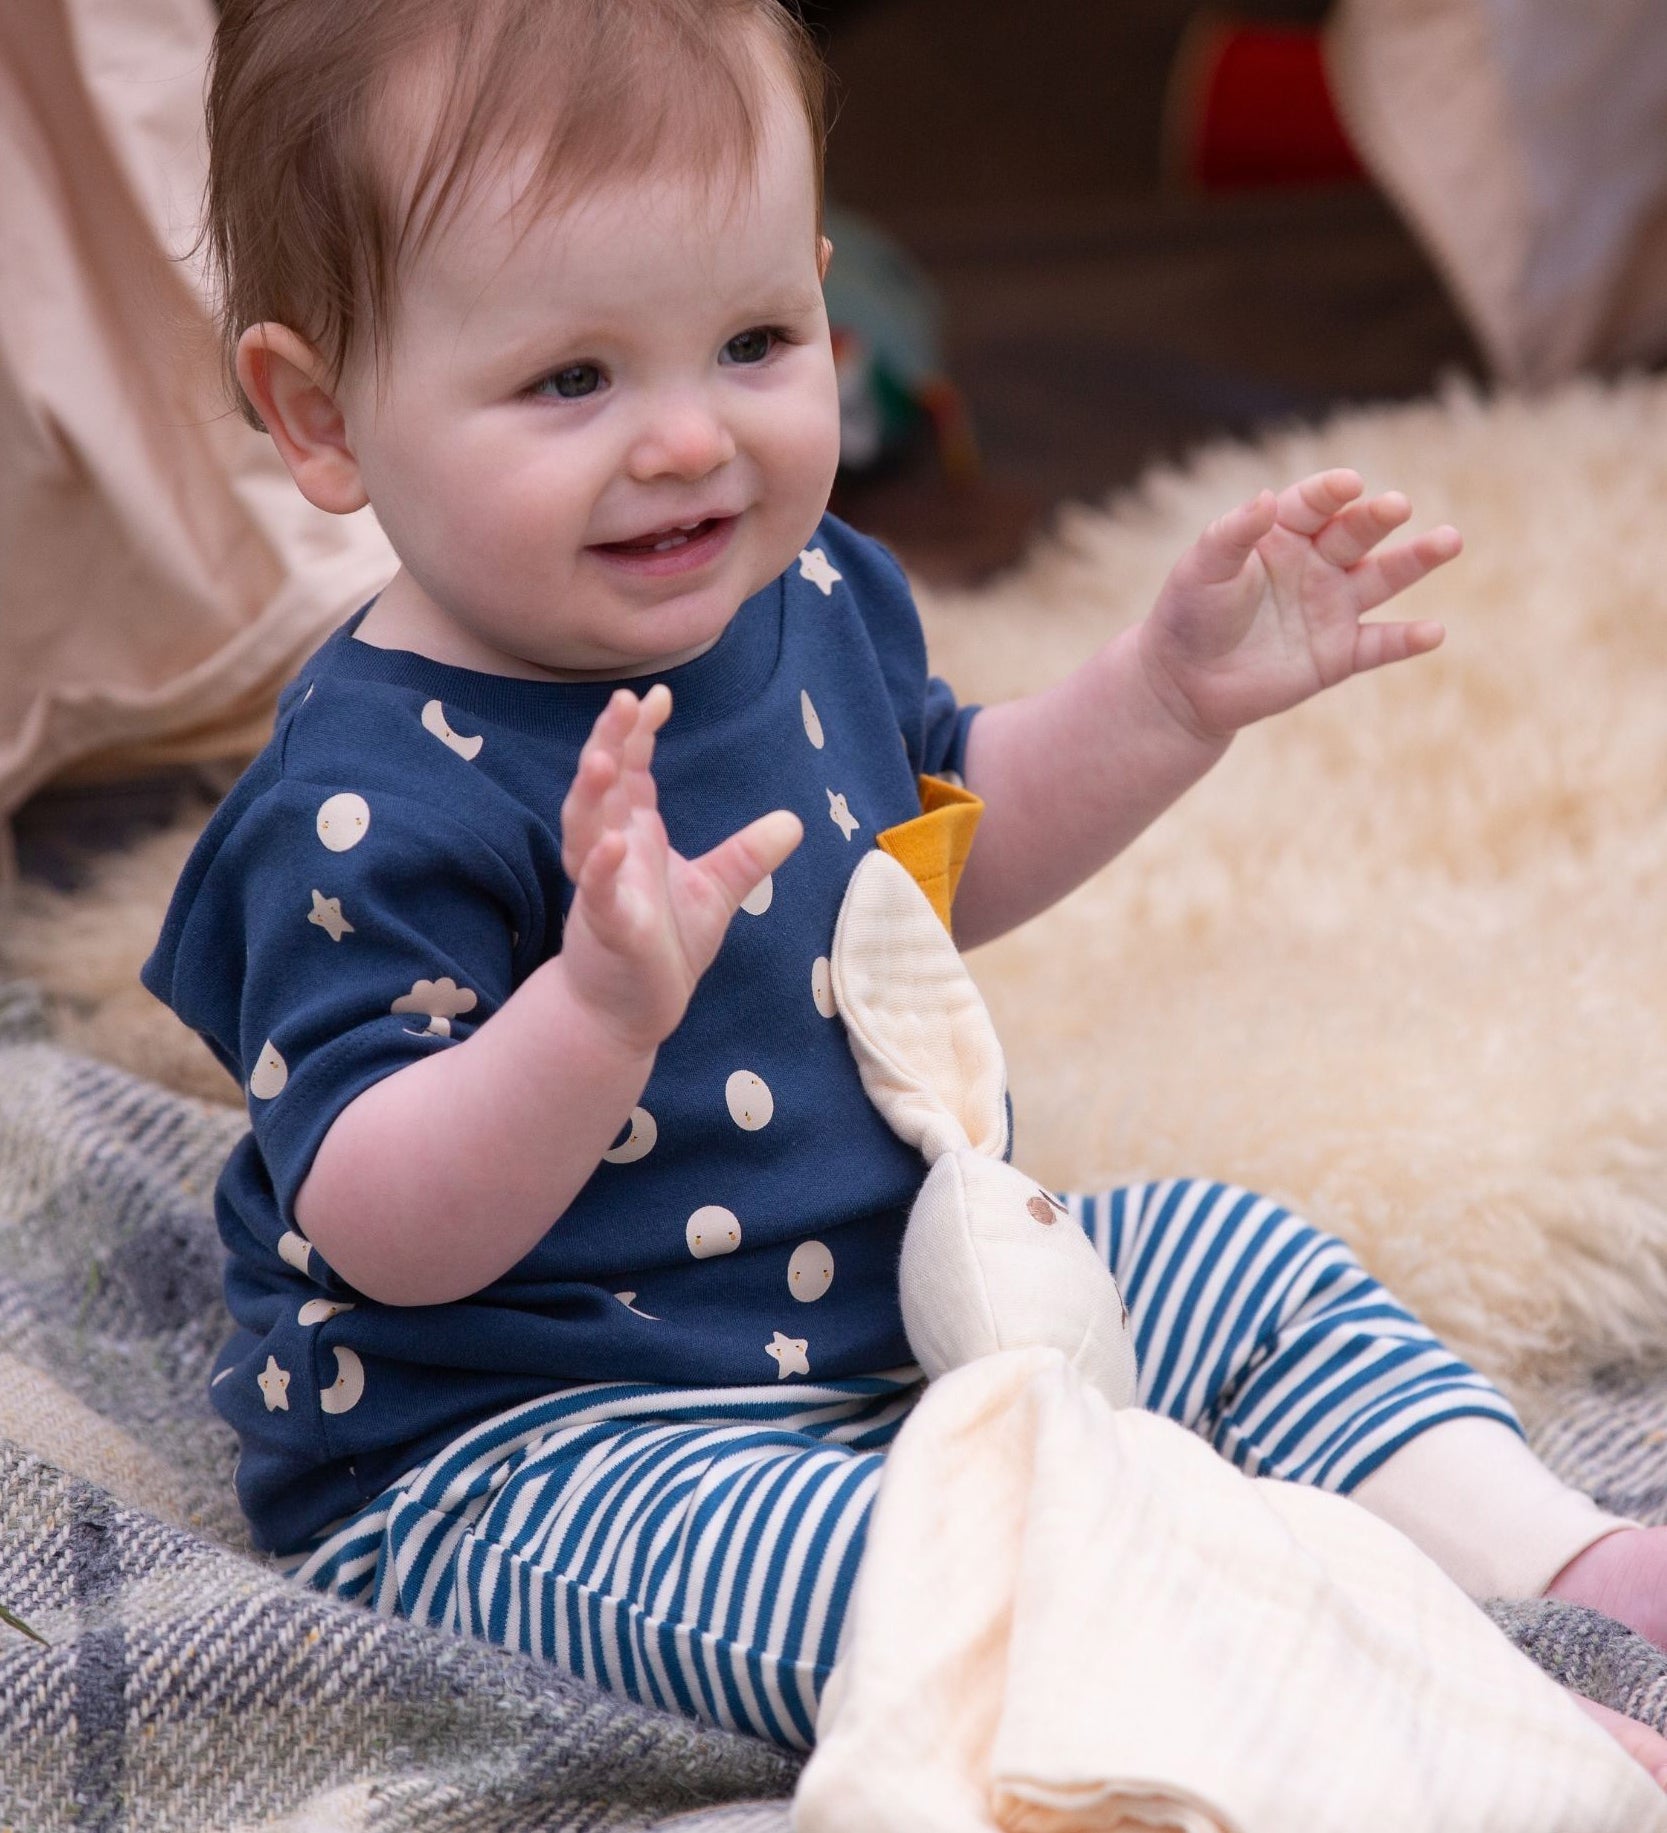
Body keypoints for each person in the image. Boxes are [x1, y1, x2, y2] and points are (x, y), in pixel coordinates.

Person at [143, 0, 1667, 1778]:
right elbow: (384, 1222)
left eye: (753, 338)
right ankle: (1427, 1740)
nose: (691, 441)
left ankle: (1574, 1562)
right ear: (321, 414)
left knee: (1238, 1263)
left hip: (900, 1314)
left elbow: (935, 862)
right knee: (971, 1578)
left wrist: (1160, 702)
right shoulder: (356, 804)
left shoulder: (804, 601)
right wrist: (592, 1013)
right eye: (574, 379)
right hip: (549, 1454)